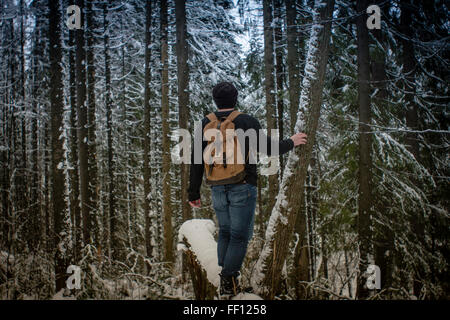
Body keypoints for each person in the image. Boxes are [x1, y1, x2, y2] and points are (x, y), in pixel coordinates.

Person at [188, 82, 307, 296]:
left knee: (225, 231)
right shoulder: (246, 120)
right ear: (235, 98)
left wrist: (193, 192)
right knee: (240, 236)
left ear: (215, 101)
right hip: (242, 186)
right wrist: (292, 141)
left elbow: (196, 159)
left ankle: (225, 273)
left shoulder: (205, 123)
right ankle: (228, 280)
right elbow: (267, 148)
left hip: (216, 186)